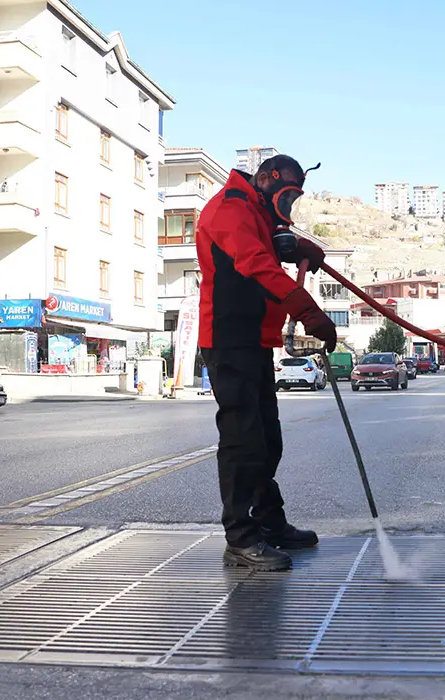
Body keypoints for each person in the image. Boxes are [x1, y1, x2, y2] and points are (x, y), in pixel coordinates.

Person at [196, 154, 336, 572]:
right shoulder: (228, 210)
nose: (288, 205)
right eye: (286, 194)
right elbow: (255, 263)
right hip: (227, 339)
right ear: (264, 178)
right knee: (243, 441)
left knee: (267, 440)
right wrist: (308, 310)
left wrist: (301, 247)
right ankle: (240, 539)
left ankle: (269, 523)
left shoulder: (258, 209)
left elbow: (279, 242)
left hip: (255, 340)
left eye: (294, 199)